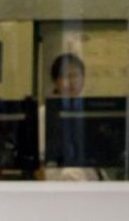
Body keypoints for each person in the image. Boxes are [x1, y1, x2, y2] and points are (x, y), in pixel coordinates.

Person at [39, 52, 102, 181]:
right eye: (66, 76)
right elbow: (39, 159)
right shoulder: (43, 113)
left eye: (76, 75)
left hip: (89, 184)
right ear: (56, 81)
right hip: (56, 183)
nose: (72, 81)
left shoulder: (90, 113)